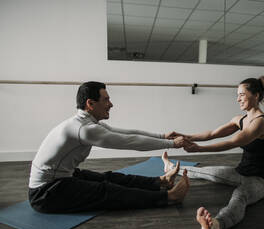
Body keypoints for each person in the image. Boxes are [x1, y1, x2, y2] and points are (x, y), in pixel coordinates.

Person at [28, 81, 189, 213]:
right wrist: (172, 144)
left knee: (109, 177)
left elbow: (127, 133)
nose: (111, 104)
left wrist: (162, 136)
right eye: (106, 100)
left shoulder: (85, 123)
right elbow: (131, 142)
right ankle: (170, 197)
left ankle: (161, 181)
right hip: (45, 193)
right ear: (90, 103)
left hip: (61, 178)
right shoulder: (84, 129)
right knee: (106, 191)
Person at [167, 76, 264, 229]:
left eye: (242, 94)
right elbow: (212, 134)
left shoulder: (261, 123)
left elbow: (233, 142)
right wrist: (184, 135)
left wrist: (199, 149)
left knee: (240, 196)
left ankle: (215, 226)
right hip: (241, 172)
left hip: (261, 180)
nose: (238, 98)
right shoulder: (240, 119)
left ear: (256, 96)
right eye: (237, 95)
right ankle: (171, 168)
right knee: (207, 171)